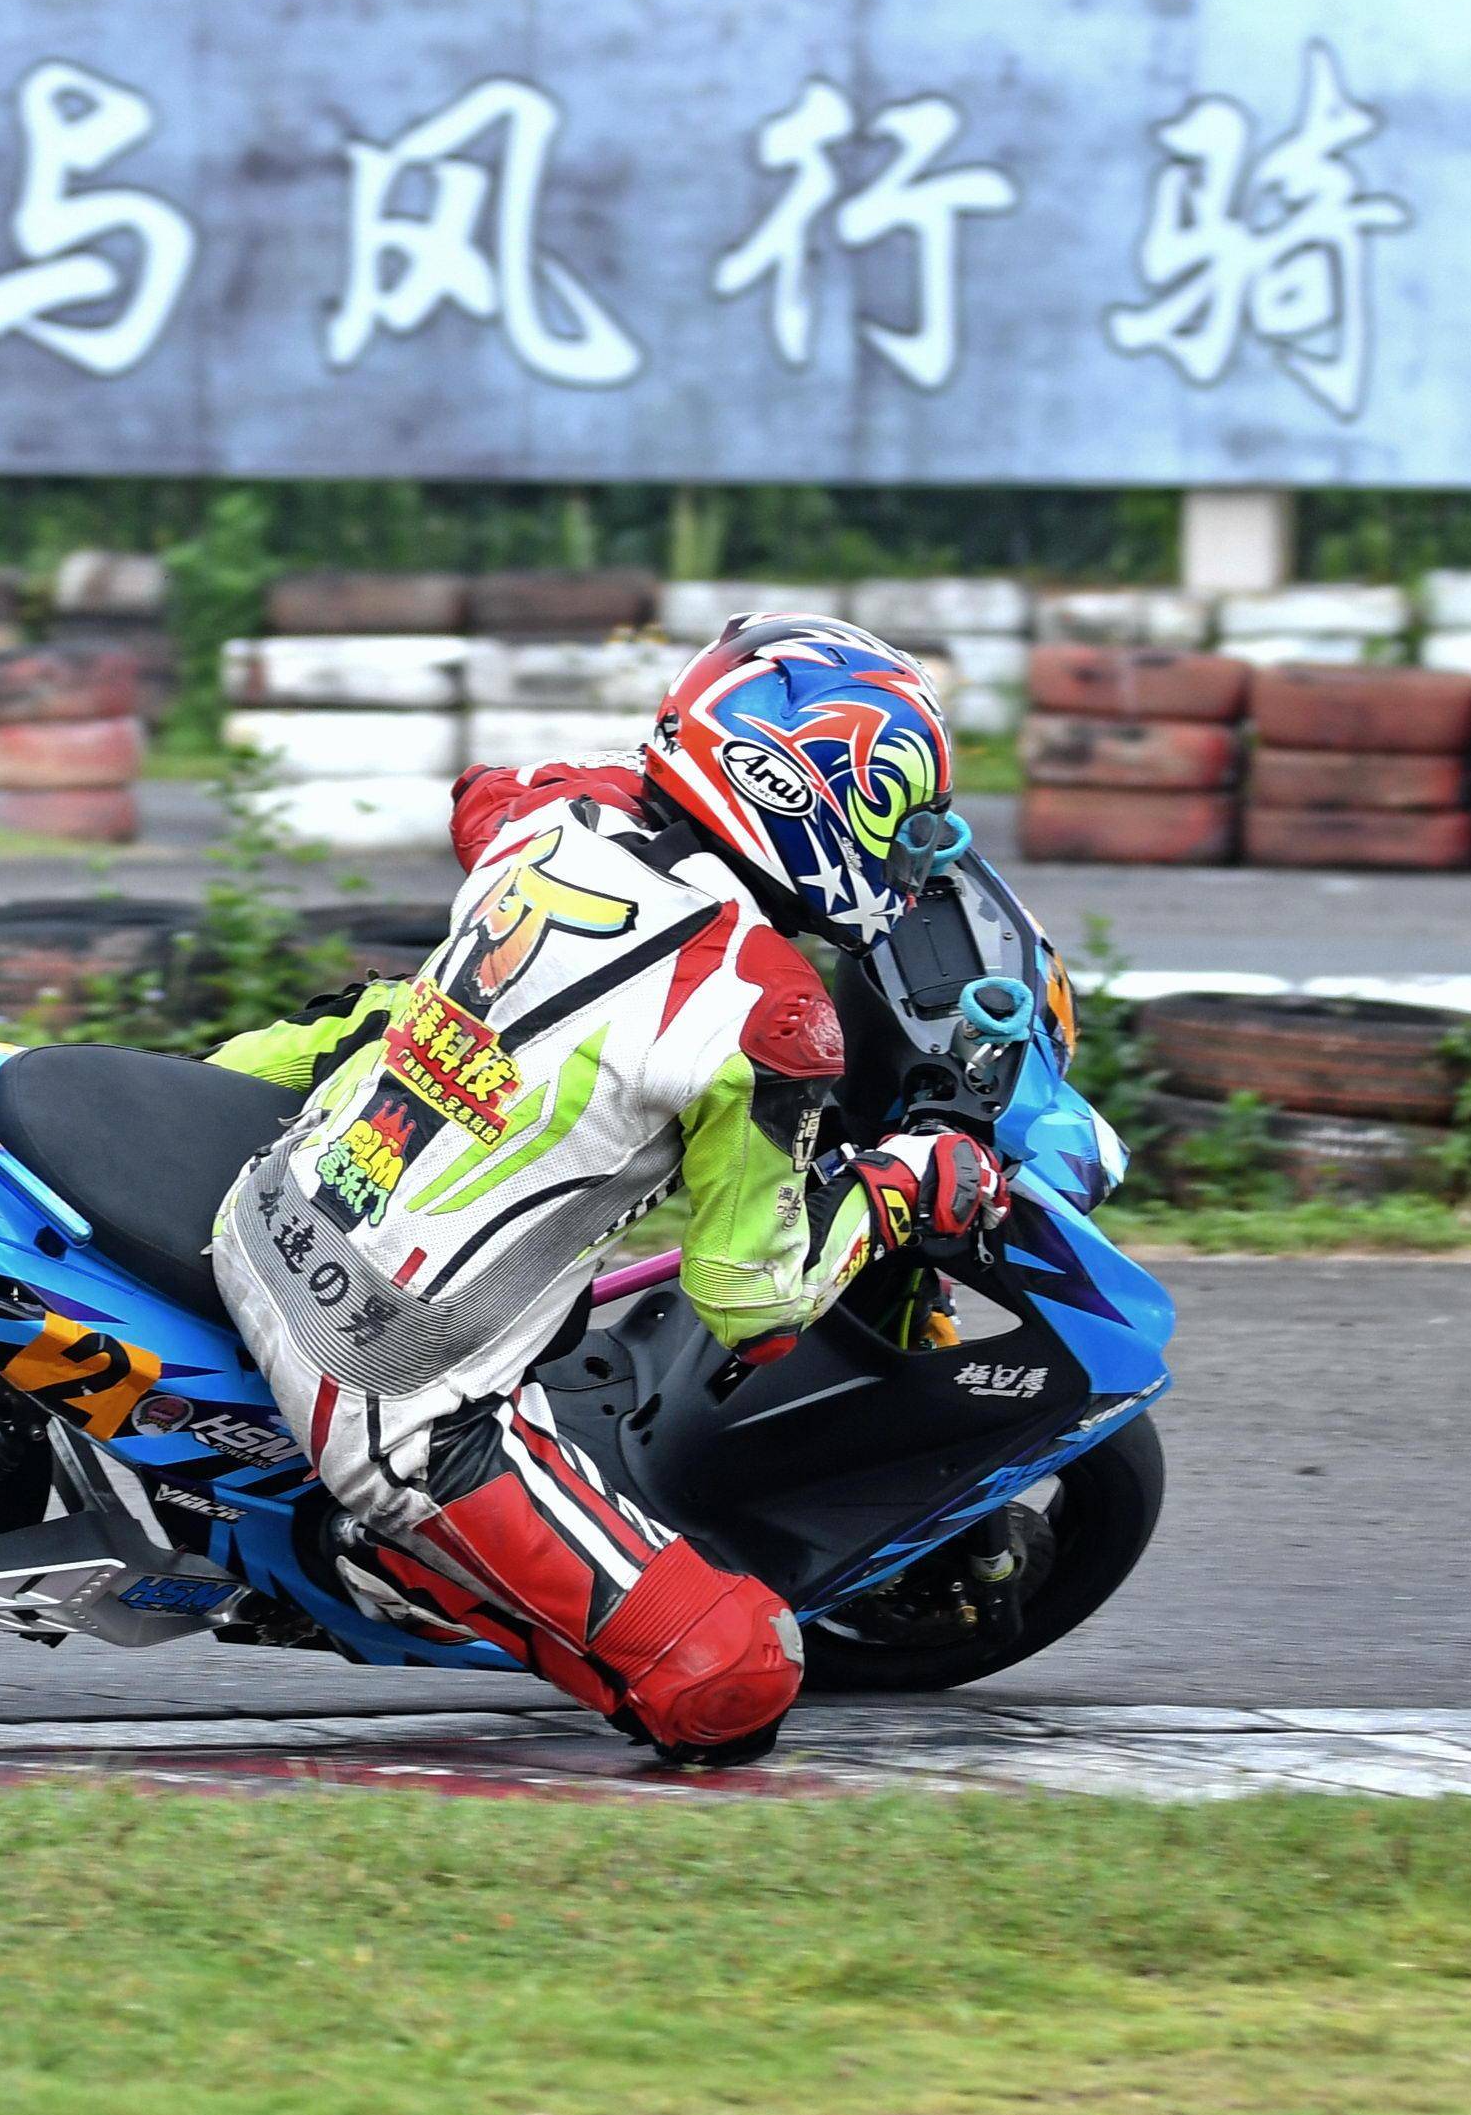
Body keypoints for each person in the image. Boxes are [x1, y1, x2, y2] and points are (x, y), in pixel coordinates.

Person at [203, 615, 1012, 1766]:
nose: (920, 851)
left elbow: (481, 793)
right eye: (905, 817)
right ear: (808, 794)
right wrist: (905, 1180)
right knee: (742, 1674)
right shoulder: (771, 1013)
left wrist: (631, 778)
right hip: (395, 1388)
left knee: (389, 1010)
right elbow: (749, 1301)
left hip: (270, 1211)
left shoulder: (554, 813)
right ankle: (398, 1559)